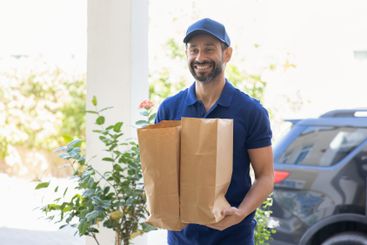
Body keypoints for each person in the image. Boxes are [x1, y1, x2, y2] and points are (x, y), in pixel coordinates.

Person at [155, 18, 274, 245]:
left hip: (233, 236)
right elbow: (162, 174)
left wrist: (240, 213)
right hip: (181, 238)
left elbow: (265, 177)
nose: (200, 57)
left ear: (227, 54)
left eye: (209, 49)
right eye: (194, 50)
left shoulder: (250, 111)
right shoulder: (169, 108)